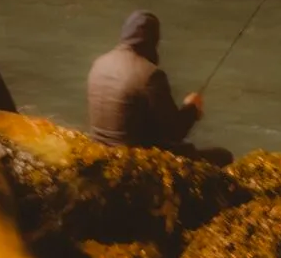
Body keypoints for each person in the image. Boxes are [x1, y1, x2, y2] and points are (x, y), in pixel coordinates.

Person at [87, 10, 233, 166]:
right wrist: (192, 108)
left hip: (100, 150)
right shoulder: (151, 75)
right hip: (134, 161)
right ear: (153, 40)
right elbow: (174, 133)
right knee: (223, 156)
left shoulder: (99, 63)